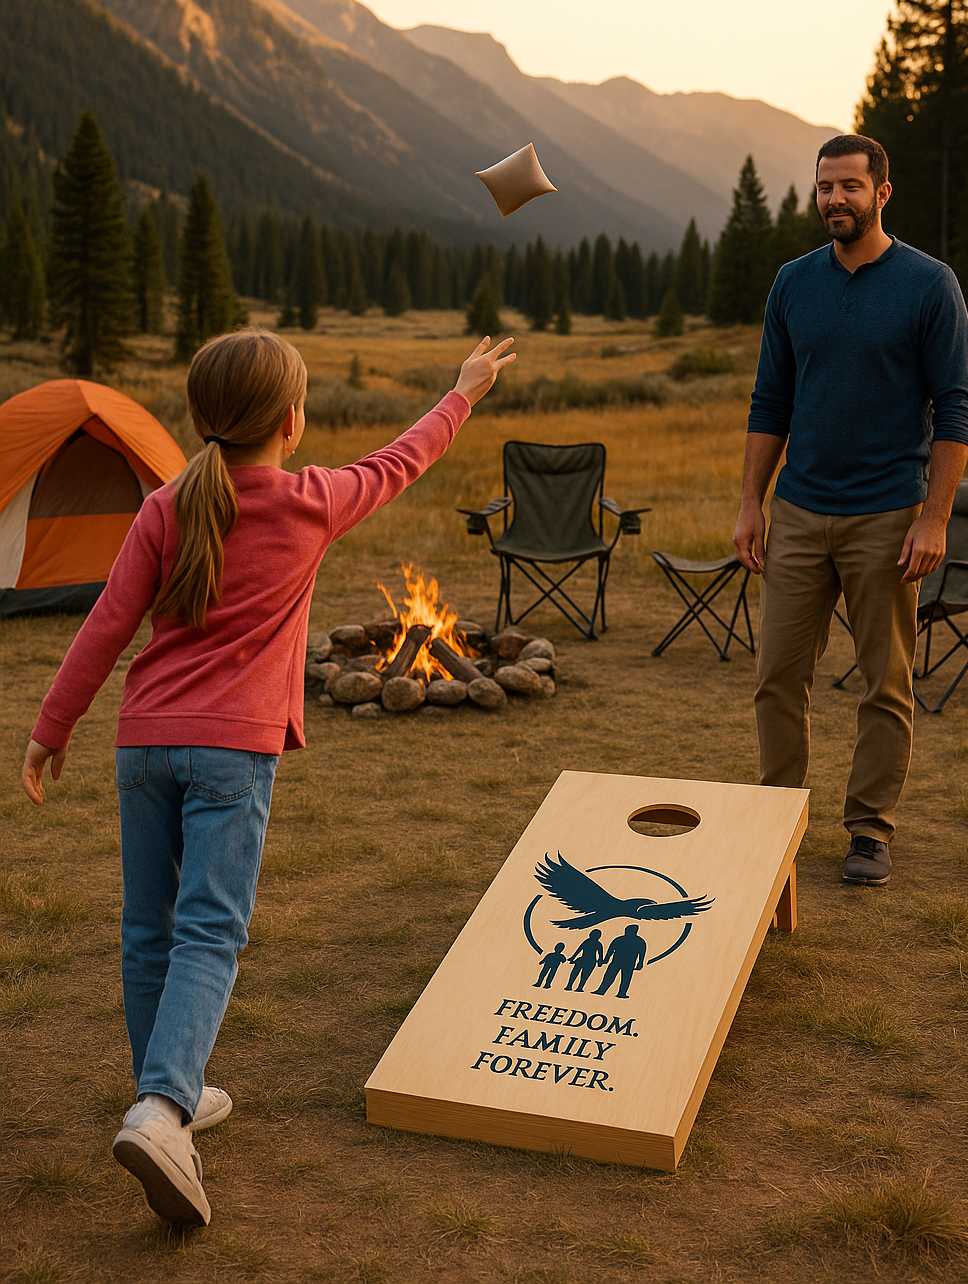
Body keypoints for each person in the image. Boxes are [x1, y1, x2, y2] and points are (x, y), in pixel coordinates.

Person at [20, 327, 515, 1227]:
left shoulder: (165, 505)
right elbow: (403, 458)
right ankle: (164, 1109)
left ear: (201, 418)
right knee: (210, 931)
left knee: (148, 929)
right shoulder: (312, 501)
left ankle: (165, 1089)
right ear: (291, 421)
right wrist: (463, 392)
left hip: (144, 745)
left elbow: (104, 627)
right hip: (231, 751)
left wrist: (51, 729)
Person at [733, 133, 968, 887]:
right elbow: (771, 399)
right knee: (777, 676)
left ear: (882, 193)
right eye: (824, 188)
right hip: (800, 510)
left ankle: (869, 831)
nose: (834, 199)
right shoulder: (792, 284)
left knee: (886, 681)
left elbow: (956, 407)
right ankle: (776, 821)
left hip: (886, 517)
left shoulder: (930, 286)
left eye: (849, 187)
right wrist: (751, 502)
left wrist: (933, 517)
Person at [592, 925, 646, 998]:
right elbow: (611, 950)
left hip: (628, 963)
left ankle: (622, 993)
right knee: (609, 977)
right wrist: (606, 959)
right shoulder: (619, 939)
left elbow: (642, 953)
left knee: (625, 979)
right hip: (616, 962)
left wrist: (640, 962)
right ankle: (601, 990)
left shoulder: (639, 941)